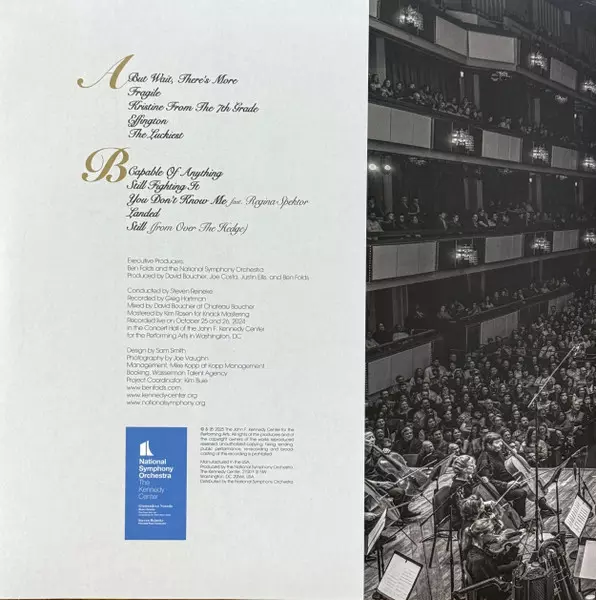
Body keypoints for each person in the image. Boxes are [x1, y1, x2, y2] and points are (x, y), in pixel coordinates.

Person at [476, 433, 556, 519]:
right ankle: (518, 518)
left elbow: (503, 465)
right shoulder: (484, 460)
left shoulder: (497, 452)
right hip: (499, 489)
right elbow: (488, 481)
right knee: (521, 492)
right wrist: (506, 485)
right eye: (497, 442)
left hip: (509, 480)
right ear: (488, 444)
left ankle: (544, 507)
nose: (501, 444)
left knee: (532, 483)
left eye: (500, 441)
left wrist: (512, 455)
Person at [365, 432, 420, 519]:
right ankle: (396, 517)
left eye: (372, 437)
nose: (372, 439)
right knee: (400, 492)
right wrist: (379, 484)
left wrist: (387, 452)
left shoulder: (375, 451)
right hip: (371, 486)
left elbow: (384, 463)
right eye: (368, 438)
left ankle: (404, 511)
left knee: (407, 486)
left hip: (381, 479)